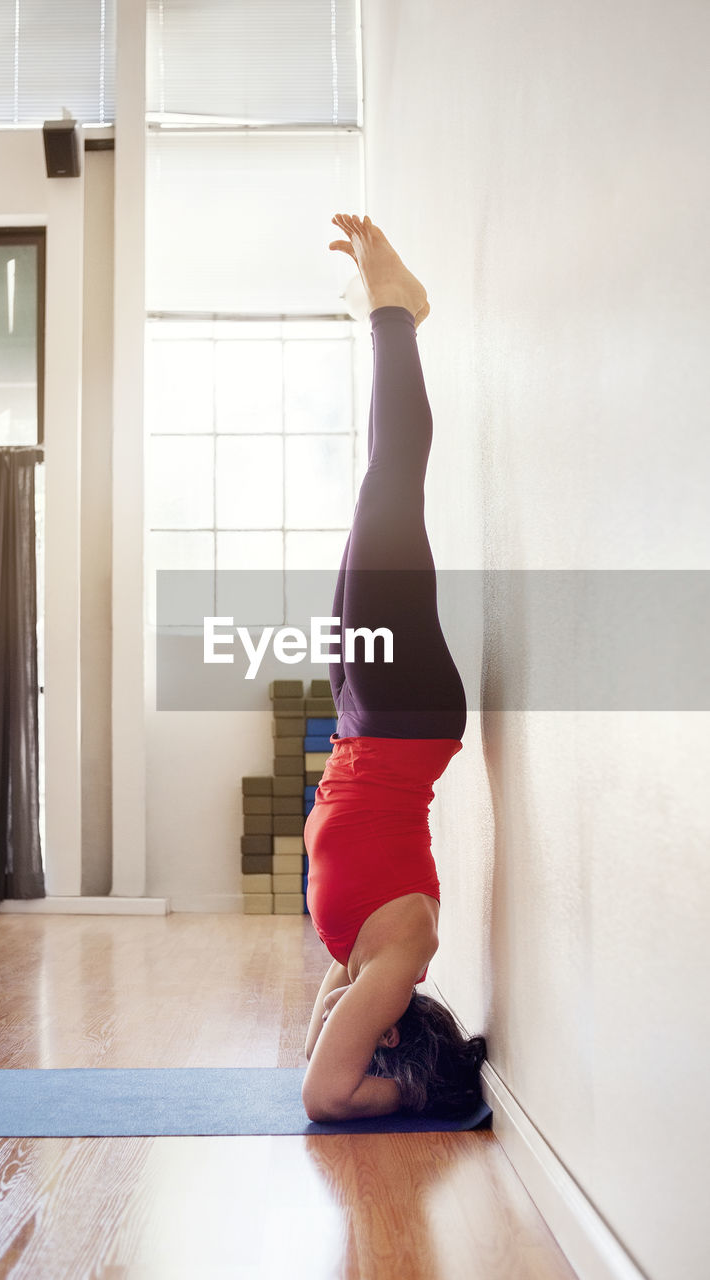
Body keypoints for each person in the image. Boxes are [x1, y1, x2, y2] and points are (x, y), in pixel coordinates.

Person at [301, 214, 486, 1123]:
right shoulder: (397, 961)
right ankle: (394, 312)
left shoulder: (366, 967)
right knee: (392, 482)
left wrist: (361, 1028)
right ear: (394, 1034)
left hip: (365, 724)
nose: (342, 1020)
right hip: (401, 720)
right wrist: (408, 1095)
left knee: (376, 487)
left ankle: (395, 314)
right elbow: (324, 1097)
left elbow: (315, 1052)